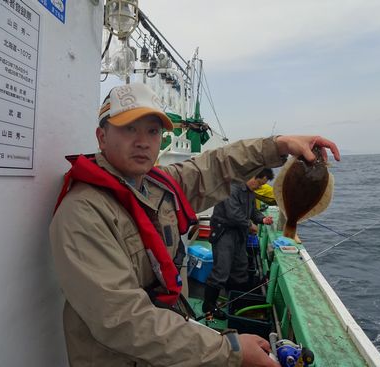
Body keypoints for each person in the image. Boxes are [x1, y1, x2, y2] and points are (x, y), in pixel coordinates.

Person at [50, 82, 341, 367]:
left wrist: (277, 146)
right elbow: (122, 320)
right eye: (129, 129)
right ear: (101, 137)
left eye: (152, 131)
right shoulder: (83, 213)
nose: (142, 141)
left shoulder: (157, 186)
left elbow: (215, 166)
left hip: (168, 349)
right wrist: (231, 351)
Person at [202, 170, 275, 320]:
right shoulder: (232, 188)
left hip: (239, 234)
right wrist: (249, 225)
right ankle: (209, 305)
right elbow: (233, 213)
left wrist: (262, 219)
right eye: (259, 183)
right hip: (224, 233)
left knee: (240, 267)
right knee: (221, 270)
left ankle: (235, 298)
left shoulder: (250, 192)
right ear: (252, 176)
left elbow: (253, 211)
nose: (259, 187)